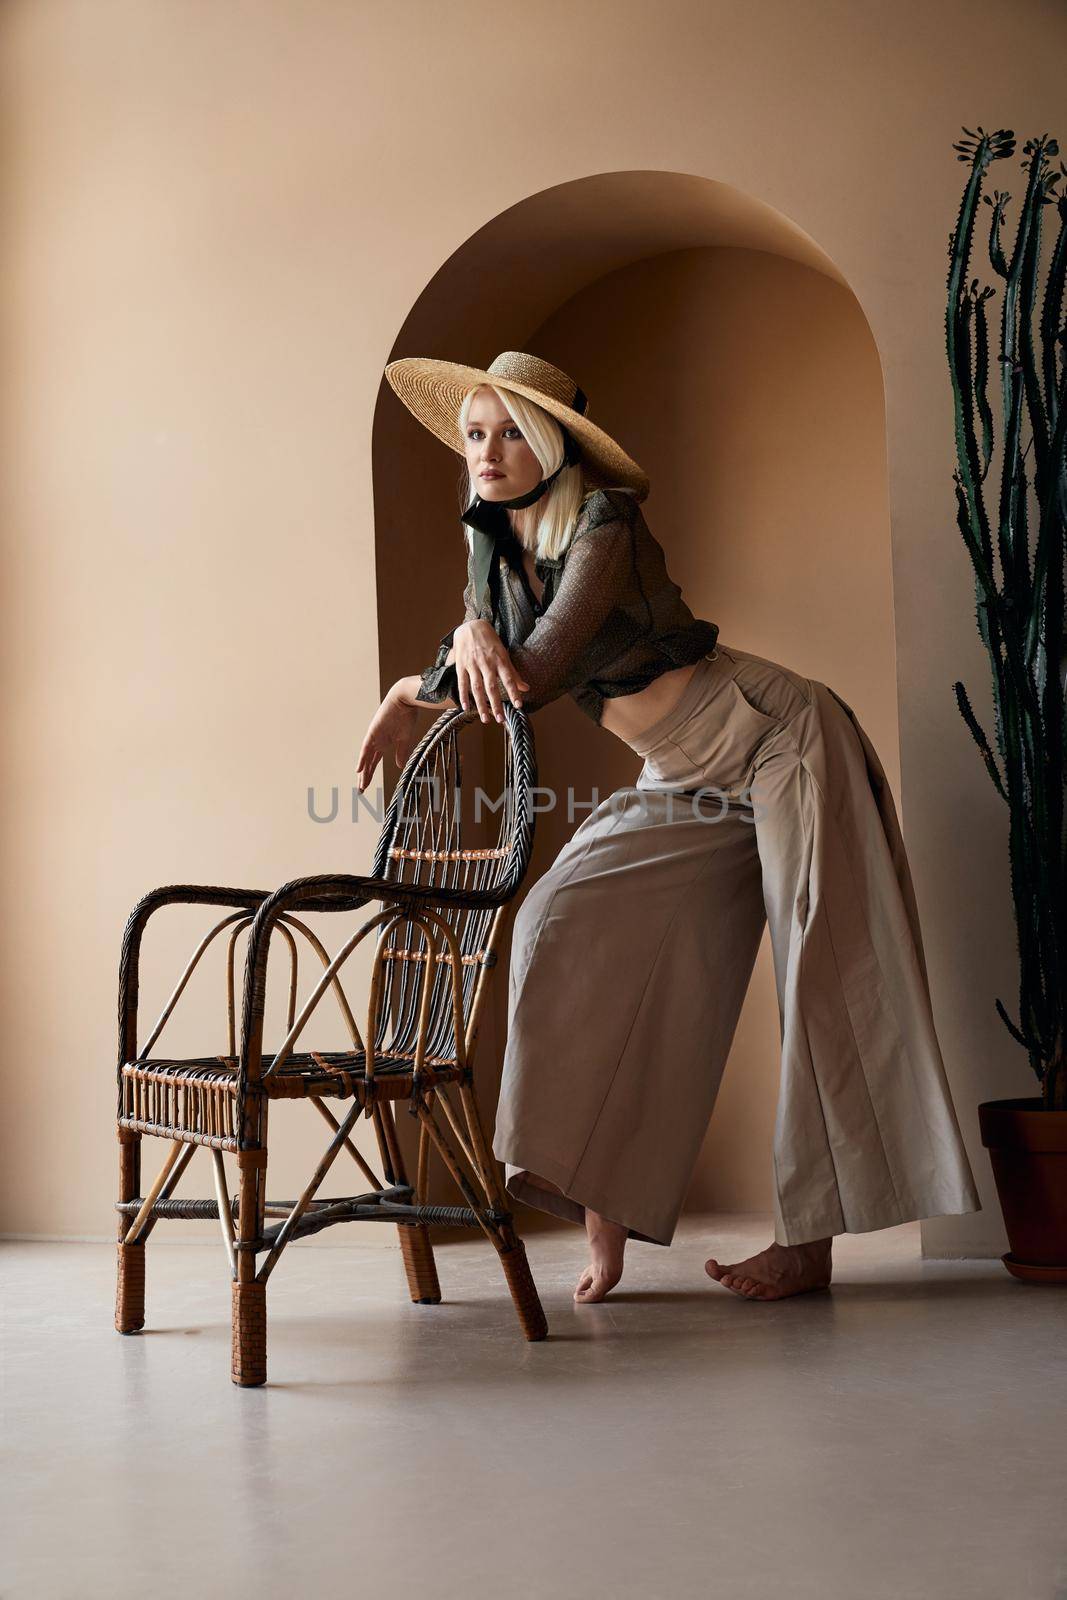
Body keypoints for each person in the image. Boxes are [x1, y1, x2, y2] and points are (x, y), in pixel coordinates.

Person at [358, 350, 982, 1306]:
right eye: (474, 433)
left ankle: (807, 1245)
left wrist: (423, 674)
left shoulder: (604, 520)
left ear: (555, 443)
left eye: (510, 431)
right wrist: (467, 633)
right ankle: (604, 1222)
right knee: (561, 919)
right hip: (679, 772)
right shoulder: (491, 548)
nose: (486, 451)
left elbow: (529, 677)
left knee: (820, 960)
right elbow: (491, 664)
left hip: (774, 737)